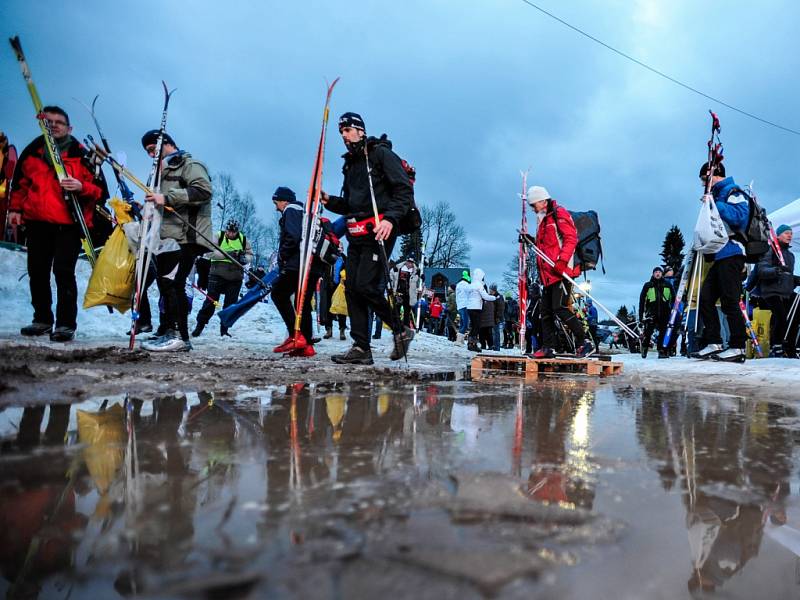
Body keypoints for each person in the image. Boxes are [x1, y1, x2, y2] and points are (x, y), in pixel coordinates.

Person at [321, 112, 416, 364]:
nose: (343, 135)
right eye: (341, 132)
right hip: (356, 233)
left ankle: (401, 329)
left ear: (361, 131)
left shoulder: (380, 154)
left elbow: (403, 190)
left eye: (348, 130)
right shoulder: (350, 163)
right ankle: (361, 347)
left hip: (380, 230)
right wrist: (329, 201)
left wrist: (390, 219)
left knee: (365, 286)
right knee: (351, 288)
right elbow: (353, 204)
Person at [9, 106, 108, 342]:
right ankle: (42, 319)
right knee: (37, 272)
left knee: (63, 272)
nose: (54, 125)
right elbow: (20, 184)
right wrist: (14, 209)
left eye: (59, 122)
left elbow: (99, 192)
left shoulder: (82, 154)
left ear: (69, 127)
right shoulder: (33, 151)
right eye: (49, 122)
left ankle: (65, 324)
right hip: (37, 222)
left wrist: (82, 187)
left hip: (69, 224)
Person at [138, 131, 213, 352]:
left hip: (187, 236)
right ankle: (166, 330)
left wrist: (168, 198)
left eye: (153, 149)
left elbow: (203, 190)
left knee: (175, 283)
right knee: (165, 283)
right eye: (148, 152)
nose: (151, 154)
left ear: (168, 144)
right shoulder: (160, 171)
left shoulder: (189, 164)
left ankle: (180, 336)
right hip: (166, 237)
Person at [691, 160, 749, 363]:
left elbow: (740, 217)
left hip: (733, 253)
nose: (703, 184)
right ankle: (713, 341)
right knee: (706, 298)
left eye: (704, 180)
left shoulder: (734, 191)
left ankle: (738, 345)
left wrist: (716, 204)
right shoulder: (715, 195)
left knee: (729, 301)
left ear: (713, 175)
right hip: (719, 254)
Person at [526, 186, 593, 358]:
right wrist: (531, 241)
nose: (532, 209)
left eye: (533, 204)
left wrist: (562, 261)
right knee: (545, 311)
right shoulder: (542, 219)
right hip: (548, 274)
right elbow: (547, 246)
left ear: (542, 200)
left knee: (560, 307)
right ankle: (549, 347)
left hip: (562, 271)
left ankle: (584, 341)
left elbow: (571, 238)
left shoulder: (558, 213)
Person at [269, 186, 320, 358]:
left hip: (297, 264)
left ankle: (295, 336)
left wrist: (282, 256)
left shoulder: (291, 210)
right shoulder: (306, 213)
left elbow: (293, 236)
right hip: (313, 265)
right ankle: (306, 346)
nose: (276, 207)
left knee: (278, 294)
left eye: (276, 203)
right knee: (302, 302)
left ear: (284, 200)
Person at [192, 219, 252, 338]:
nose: (231, 234)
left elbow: (250, 254)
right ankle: (199, 326)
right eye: (229, 231)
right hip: (217, 275)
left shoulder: (243, 239)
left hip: (235, 278)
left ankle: (224, 330)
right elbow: (209, 253)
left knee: (230, 305)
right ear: (226, 229)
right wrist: (229, 254)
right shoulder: (218, 236)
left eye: (233, 232)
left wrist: (244, 258)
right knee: (210, 302)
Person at [757, 224, 799, 358]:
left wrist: (795, 280)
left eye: (791, 233)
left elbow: (787, 277)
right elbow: (762, 270)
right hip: (771, 292)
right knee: (780, 317)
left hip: (785, 292)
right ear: (778, 235)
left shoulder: (790, 255)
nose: (790, 236)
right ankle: (776, 345)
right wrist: (777, 270)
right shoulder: (771, 251)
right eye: (786, 233)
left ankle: (789, 346)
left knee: (794, 316)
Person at [638, 266, 675, 358]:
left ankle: (661, 350)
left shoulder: (668, 285)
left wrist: (673, 311)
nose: (657, 273)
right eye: (656, 272)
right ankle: (645, 347)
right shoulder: (648, 285)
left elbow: (674, 299)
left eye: (659, 272)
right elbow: (642, 301)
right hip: (651, 313)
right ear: (653, 274)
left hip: (664, 313)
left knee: (663, 332)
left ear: (662, 274)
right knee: (648, 333)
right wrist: (640, 316)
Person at [465, 268, 496, 352]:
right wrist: (494, 298)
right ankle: (473, 344)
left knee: (473, 326)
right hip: (476, 308)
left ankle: (470, 343)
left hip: (470, 307)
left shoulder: (471, 285)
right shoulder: (479, 285)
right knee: (476, 327)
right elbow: (485, 296)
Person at [391, 257, 419, 329]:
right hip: (398, 293)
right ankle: (396, 327)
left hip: (408, 295)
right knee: (396, 311)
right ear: (406, 261)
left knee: (407, 313)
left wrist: (421, 278)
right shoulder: (398, 268)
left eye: (412, 262)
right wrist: (390, 288)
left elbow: (420, 284)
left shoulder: (416, 271)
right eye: (409, 262)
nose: (410, 264)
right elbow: (391, 278)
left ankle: (406, 328)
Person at [455, 270, 471, 344]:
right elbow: (470, 293)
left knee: (462, 322)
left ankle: (460, 340)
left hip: (460, 306)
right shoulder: (466, 285)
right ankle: (459, 340)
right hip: (465, 305)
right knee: (465, 323)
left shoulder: (458, 284)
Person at [491, 284, 505, 351]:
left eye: (490, 289)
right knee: (494, 332)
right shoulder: (493, 296)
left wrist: (498, 317)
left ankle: (497, 347)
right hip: (494, 317)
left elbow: (500, 308)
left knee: (496, 332)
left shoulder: (499, 297)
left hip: (497, 317)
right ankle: (495, 345)